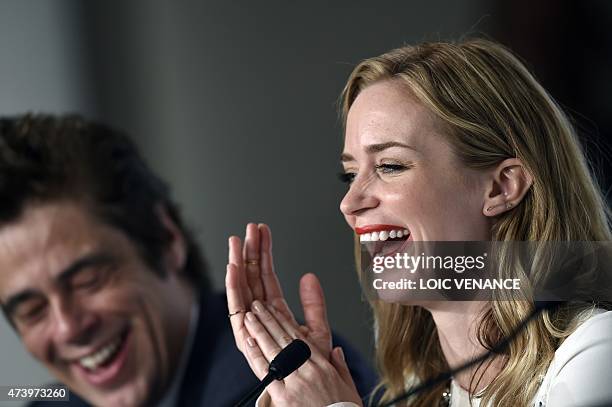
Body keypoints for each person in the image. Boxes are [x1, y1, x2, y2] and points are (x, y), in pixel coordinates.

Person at [225, 38, 612, 407]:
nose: (349, 203)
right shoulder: (416, 385)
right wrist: (306, 388)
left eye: (390, 166)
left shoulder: (597, 350)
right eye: (350, 174)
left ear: (501, 187)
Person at [0, 115, 377, 407]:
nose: (68, 328)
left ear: (166, 239)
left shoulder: (292, 384)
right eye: (32, 310)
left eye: (88, 281)